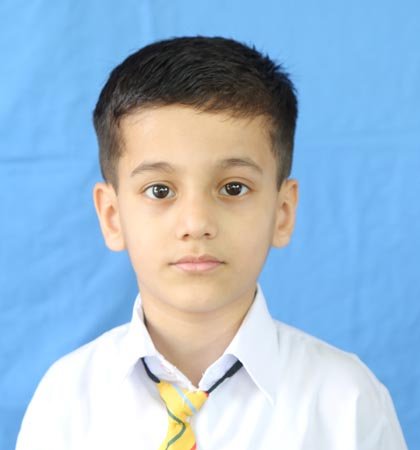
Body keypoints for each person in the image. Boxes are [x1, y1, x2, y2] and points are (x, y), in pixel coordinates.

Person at [16, 36, 407, 450]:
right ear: (112, 216)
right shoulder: (65, 401)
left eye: (233, 188)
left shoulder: (347, 402)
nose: (196, 224)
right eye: (160, 190)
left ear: (283, 211)